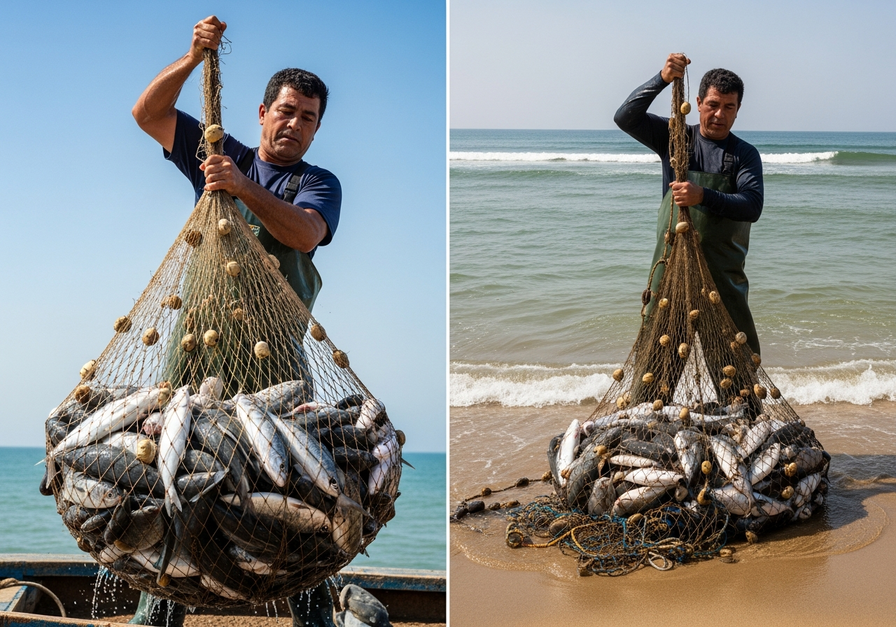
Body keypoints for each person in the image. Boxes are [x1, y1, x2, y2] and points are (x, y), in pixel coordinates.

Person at [129, 15, 384, 627]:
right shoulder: (218, 151)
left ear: (317, 130)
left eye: (308, 118)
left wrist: (241, 188)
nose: (295, 124)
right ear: (264, 111)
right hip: (193, 358)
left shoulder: (316, 183)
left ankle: (313, 616)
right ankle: (155, 617)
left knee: (297, 492)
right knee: (173, 488)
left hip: (278, 366)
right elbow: (147, 114)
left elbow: (305, 232)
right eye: (287, 111)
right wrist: (193, 57)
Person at [614, 53, 764, 358]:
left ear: (737, 111)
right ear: (697, 103)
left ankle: (741, 406)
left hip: (721, 282)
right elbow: (625, 117)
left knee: (738, 370)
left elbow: (752, 205)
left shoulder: (744, 155)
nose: (719, 114)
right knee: (654, 365)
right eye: (713, 105)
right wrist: (662, 78)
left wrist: (704, 196)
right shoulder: (676, 137)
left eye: (728, 107)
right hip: (672, 274)